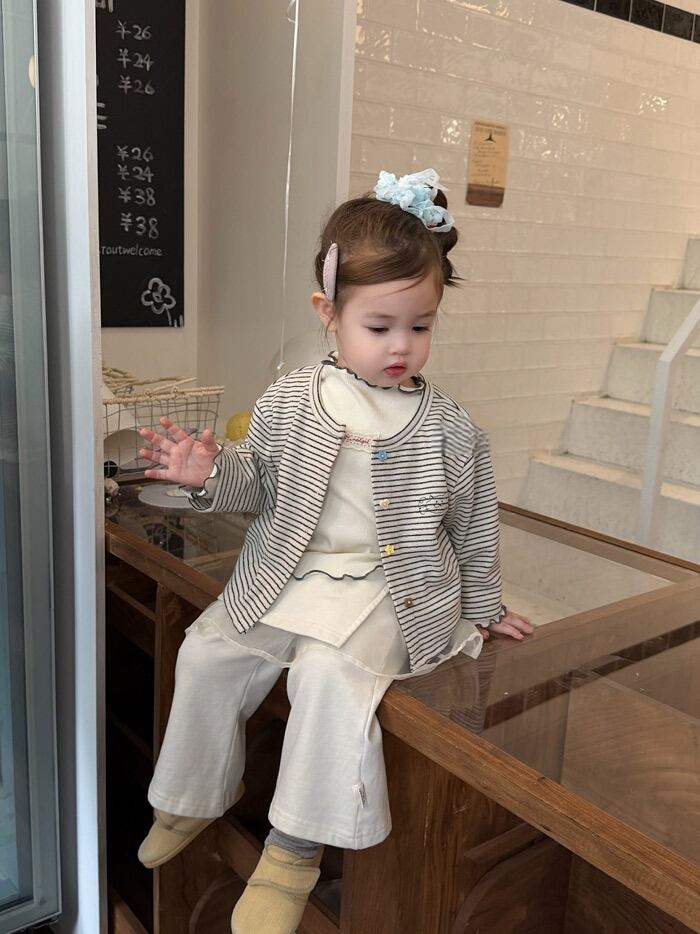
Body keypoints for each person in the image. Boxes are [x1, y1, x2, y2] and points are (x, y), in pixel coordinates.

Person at [136, 168, 533, 934]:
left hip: (391, 592)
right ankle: (188, 798)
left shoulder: (451, 429)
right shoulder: (292, 398)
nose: (401, 345)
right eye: (379, 327)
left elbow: (475, 523)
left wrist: (486, 608)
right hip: (289, 575)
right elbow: (255, 479)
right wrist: (206, 474)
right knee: (207, 651)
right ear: (329, 313)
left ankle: (293, 852)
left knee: (327, 676)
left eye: (420, 327)